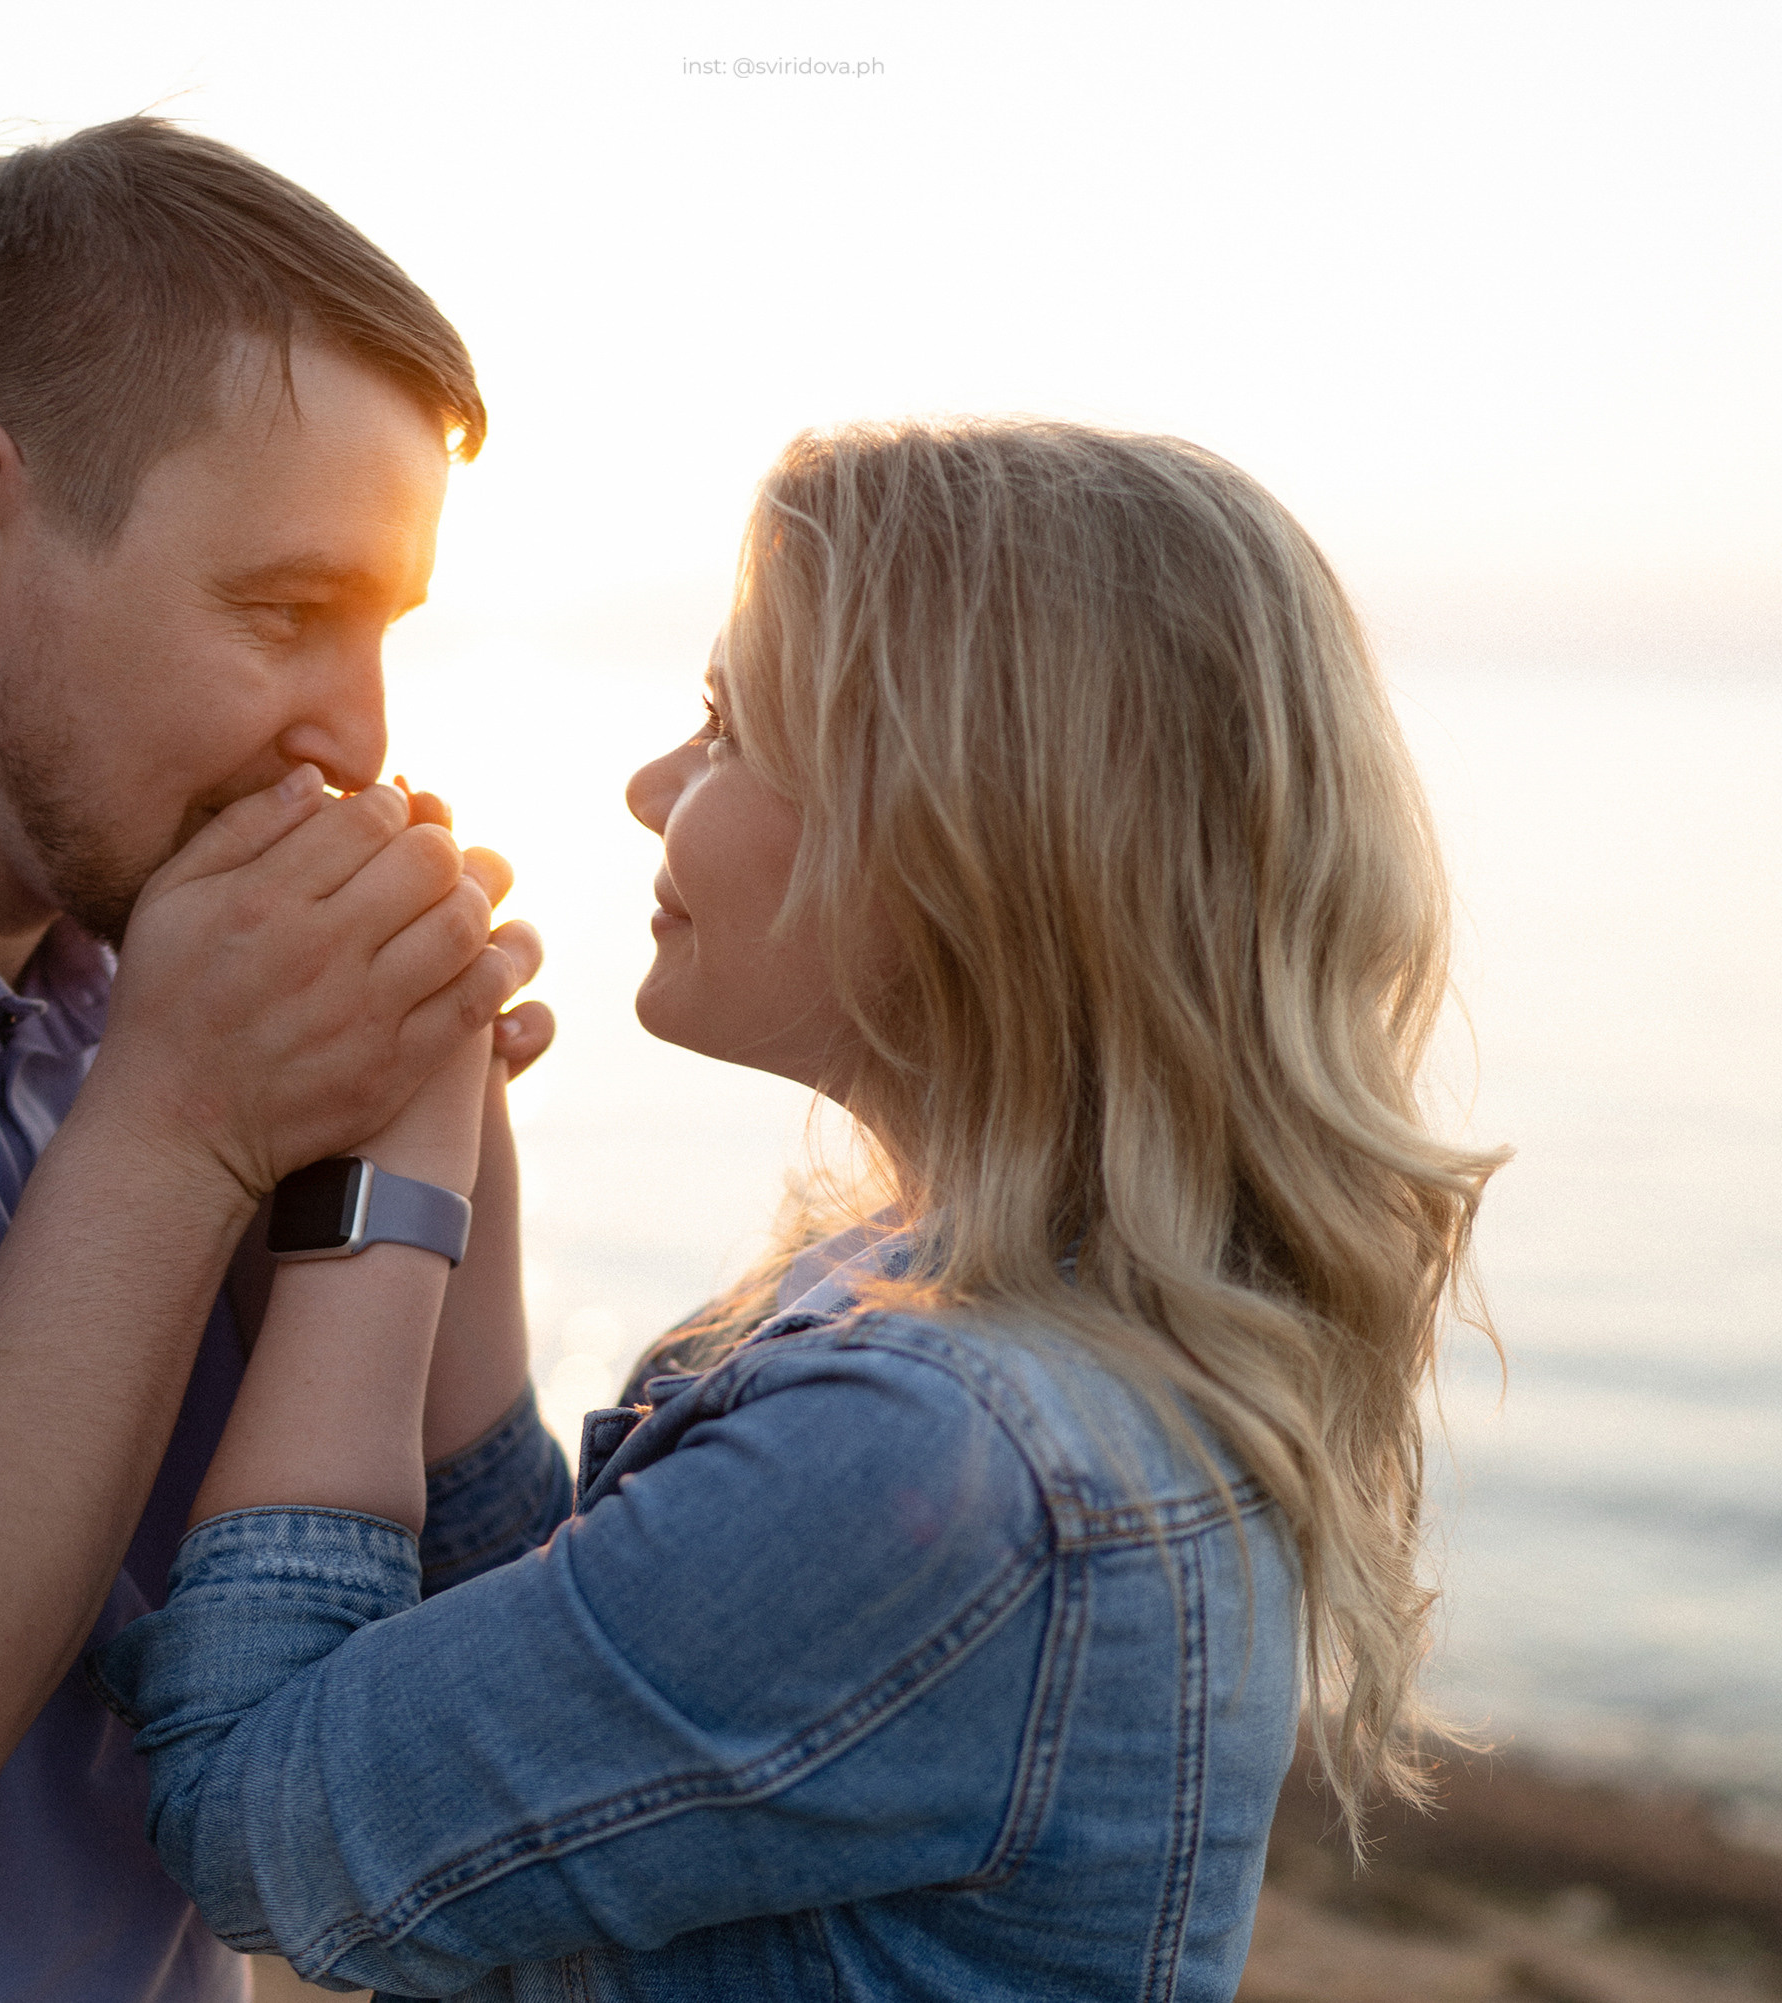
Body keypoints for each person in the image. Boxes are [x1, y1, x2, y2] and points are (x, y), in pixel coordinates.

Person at [94, 418, 1507, 1999]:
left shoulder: (943, 1458)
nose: (646, 788)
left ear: (957, 830)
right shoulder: (955, 1307)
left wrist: (387, 1185)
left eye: (725, 725)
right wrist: (461, 1136)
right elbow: (548, 1663)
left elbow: (250, 1808)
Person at [0, 118, 550, 1998]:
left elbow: (473, 1711)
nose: (358, 738)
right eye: (290, 616)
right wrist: (186, 1124)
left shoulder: (151, 950)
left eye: (387, 637)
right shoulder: (176, 1041)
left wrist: (433, 1133)